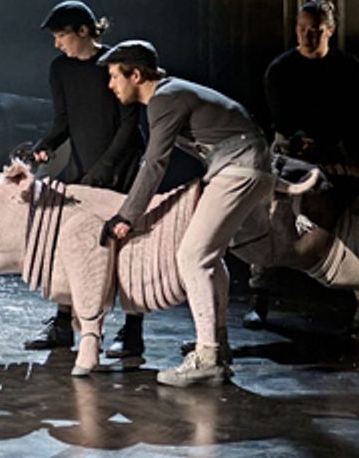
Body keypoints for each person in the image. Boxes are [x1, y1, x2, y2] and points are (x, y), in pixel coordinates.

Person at [99, 40, 273, 387]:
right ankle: (217, 348)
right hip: (245, 164)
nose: (111, 85)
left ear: (136, 74)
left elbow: (154, 164)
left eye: (115, 76)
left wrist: (126, 217)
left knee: (193, 256)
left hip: (240, 167)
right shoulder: (172, 93)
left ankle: (207, 357)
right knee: (209, 256)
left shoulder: (164, 98)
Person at [26, 1, 144, 361]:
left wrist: (106, 167)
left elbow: (130, 124)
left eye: (61, 35)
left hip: (120, 167)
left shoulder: (115, 63)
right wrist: (45, 145)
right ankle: (63, 324)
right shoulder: (60, 69)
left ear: (83, 31)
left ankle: (133, 332)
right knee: (68, 245)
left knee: (125, 249)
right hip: (83, 167)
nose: (57, 43)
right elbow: (63, 120)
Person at [250, 0, 359, 325]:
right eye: (302, 30)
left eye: (315, 31)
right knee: (270, 213)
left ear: (330, 31)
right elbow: (279, 114)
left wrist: (334, 148)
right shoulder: (281, 68)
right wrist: (299, 140)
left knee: (351, 216)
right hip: (290, 147)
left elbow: (353, 112)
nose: (308, 37)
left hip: (332, 148)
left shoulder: (348, 66)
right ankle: (259, 298)